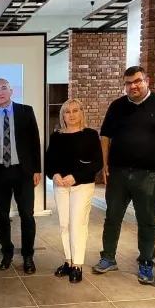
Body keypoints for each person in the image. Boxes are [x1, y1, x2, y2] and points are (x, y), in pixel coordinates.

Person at [94, 66, 155, 285]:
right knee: (112, 217)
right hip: (118, 172)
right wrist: (105, 164)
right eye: (129, 83)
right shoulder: (117, 106)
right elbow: (105, 136)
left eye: (137, 81)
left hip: (149, 174)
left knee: (146, 220)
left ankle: (146, 262)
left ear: (147, 81)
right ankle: (108, 257)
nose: (133, 86)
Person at [0, 78, 42, 274]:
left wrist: (37, 169)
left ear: (11, 91)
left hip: (23, 172)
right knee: (2, 216)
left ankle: (28, 256)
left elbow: (35, 141)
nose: (0, 92)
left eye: (3, 88)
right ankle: (6, 253)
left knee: (27, 215)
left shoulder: (26, 111)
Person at [45, 99, 103, 283]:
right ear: (62, 115)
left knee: (78, 224)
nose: (71, 115)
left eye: (75, 110)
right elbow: (49, 161)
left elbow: (97, 163)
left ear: (81, 113)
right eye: (67, 111)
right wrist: (54, 175)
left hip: (82, 185)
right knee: (65, 224)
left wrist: (76, 177)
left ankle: (78, 264)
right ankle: (68, 261)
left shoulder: (90, 135)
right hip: (61, 186)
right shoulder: (56, 136)